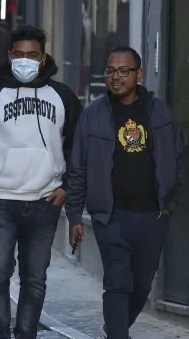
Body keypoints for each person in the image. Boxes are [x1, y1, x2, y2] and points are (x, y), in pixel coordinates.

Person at [0, 25, 83, 339]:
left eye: (32, 55)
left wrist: (66, 186)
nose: (25, 60)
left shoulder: (62, 96)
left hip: (45, 201)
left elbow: (78, 144)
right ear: (9, 56)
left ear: (43, 57)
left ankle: (25, 335)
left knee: (34, 279)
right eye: (19, 54)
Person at [66, 47, 183, 339]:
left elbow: (177, 158)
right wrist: (74, 216)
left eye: (124, 71)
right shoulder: (92, 116)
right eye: (110, 71)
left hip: (152, 216)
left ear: (139, 75)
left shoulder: (159, 111)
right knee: (117, 281)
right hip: (111, 216)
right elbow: (77, 169)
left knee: (141, 285)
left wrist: (168, 202)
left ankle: (115, 326)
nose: (116, 77)